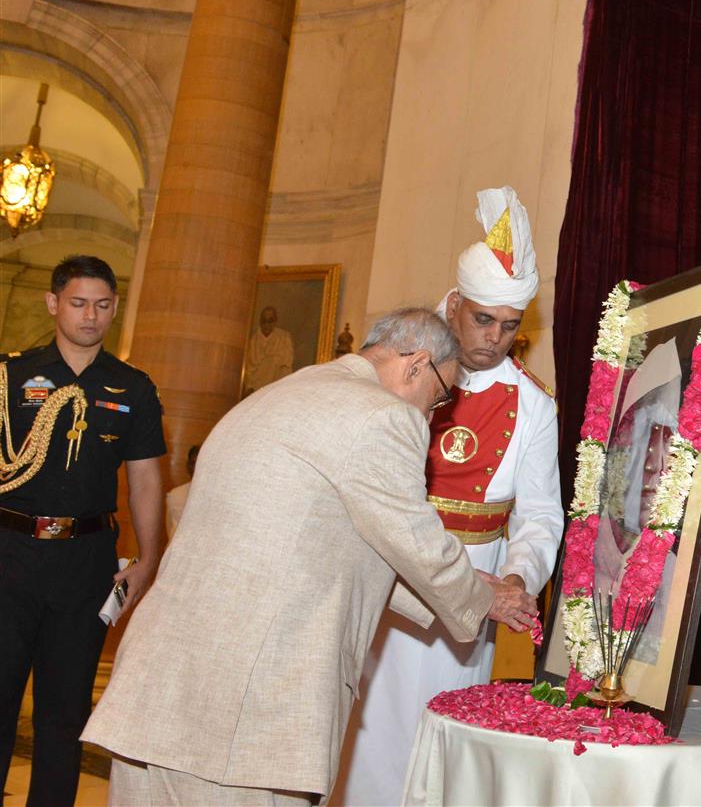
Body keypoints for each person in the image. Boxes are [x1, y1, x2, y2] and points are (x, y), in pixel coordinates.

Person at [81, 307, 538, 805]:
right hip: (247, 714)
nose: (432, 417)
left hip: (158, 687)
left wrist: (472, 587)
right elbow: (415, 540)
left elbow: (335, 541)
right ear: (415, 365)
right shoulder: (382, 415)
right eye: (438, 397)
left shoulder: (281, 393)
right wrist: (482, 599)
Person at [334, 187, 563, 805]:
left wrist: (519, 574)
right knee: (365, 727)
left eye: (510, 326)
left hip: (476, 581)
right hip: (387, 569)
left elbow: (541, 515)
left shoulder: (534, 403)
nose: (494, 338)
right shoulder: (399, 369)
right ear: (455, 304)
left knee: (441, 732)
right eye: (482, 319)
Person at [0, 254, 165, 806]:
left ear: (115, 308)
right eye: (78, 303)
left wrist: (149, 559)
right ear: (53, 304)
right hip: (9, 553)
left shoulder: (133, 388)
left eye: (101, 305)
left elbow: (145, 478)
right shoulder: (11, 375)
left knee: (65, 712)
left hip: (87, 560)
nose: (90, 316)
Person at [241, 306, 294, 396]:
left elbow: (287, 366)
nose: (267, 324)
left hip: (275, 389)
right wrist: (249, 387)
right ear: (260, 321)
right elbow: (248, 369)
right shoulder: (252, 340)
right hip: (255, 390)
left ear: (275, 321)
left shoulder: (284, 338)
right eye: (264, 321)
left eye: (270, 320)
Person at [163, 444, 199, 537]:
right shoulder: (175, 495)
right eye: (193, 463)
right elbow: (170, 532)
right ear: (187, 466)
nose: (196, 468)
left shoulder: (219, 496)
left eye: (200, 463)